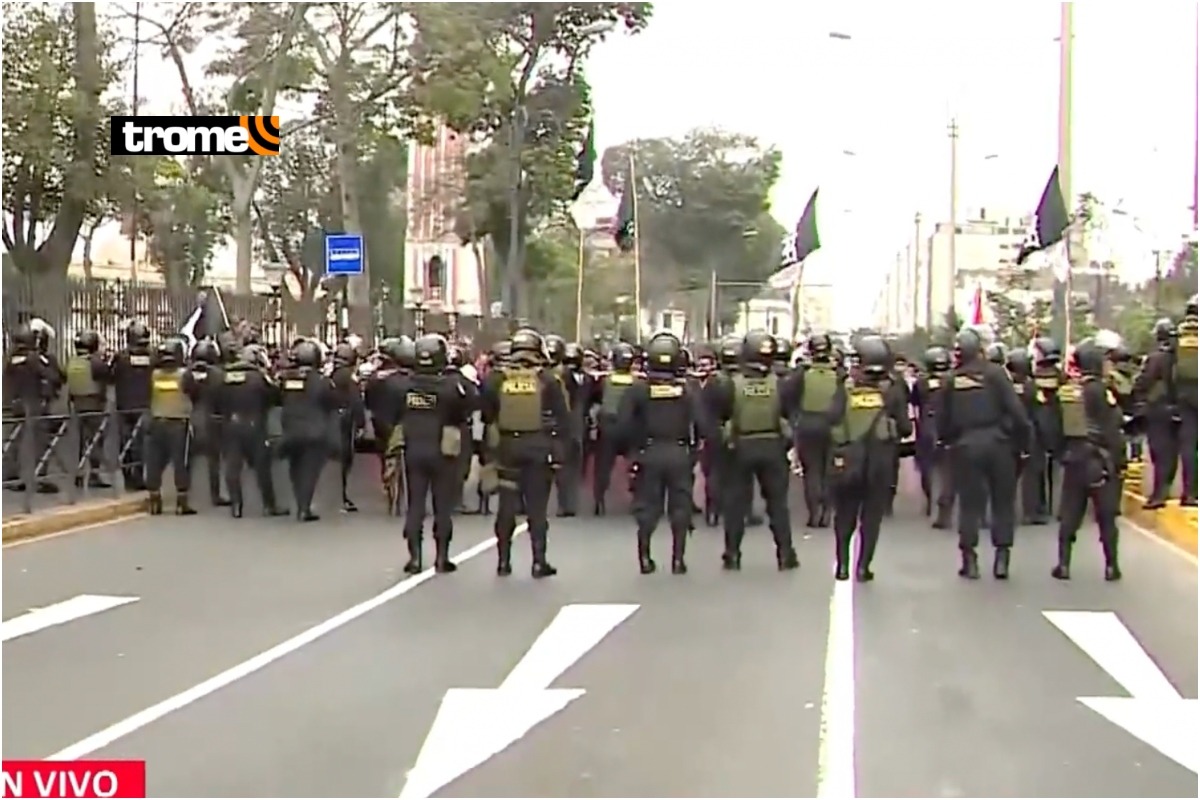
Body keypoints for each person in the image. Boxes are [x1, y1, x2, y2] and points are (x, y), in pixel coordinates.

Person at [935, 327, 1030, 579]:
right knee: (1003, 503)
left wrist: (947, 441)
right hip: (1000, 445)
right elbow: (1017, 412)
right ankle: (1002, 560)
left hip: (966, 447)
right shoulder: (996, 374)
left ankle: (970, 560)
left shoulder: (952, 380)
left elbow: (941, 420)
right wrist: (1023, 445)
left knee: (969, 505)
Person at [615, 331, 713, 574]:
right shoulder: (688, 390)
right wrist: (696, 450)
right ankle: (678, 560)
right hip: (679, 454)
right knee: (680, 508)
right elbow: (704, 424)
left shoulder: (638, 390)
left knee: (648, 508)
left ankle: (645, 557)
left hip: (648, 453)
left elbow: (623, 424)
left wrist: (630, 451)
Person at [479, 328, 571, 577]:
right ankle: (539, 561)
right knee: (537, 508)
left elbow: (486, 415)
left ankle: (503, 561)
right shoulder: (548, 379)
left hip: (507, 449)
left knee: (506, 506)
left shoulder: (497, 378)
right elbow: (564, 418)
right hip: (538, 449)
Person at [710, 330, 800, 571]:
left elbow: (719, 416)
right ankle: (785, 553)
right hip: (772, 446)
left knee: (736, 505)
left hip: (740, 447)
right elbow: (790, 415)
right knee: (778, 504)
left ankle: (732, 554)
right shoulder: (781, 383)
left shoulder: (730, 384)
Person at [827, 335, 911, 580]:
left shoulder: (846, 386)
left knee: (844, 515)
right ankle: (863, 567)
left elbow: (831, 418)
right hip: (881, 462)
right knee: (871, 518)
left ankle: (842, 566)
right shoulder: (893, 389)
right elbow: (905, 427)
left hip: (849, 460)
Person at [397, 334, 472, 574]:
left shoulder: (404, 384)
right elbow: (470, 404)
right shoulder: (451, 385)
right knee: (442, 506)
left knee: (415, 504)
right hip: (443, 450)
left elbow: (387, 405)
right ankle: (442, 557)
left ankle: (415, 557)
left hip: (414, 448)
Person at [1051, 339, 1125, 580]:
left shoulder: (1068, 392)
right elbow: (1112, 428)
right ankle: (1111, 566)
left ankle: (1063, 564)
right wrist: (1120, 461)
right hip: (1099, 460)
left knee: (1070, 513)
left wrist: (1062, 453)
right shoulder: (1102, 391)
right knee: (1106, 515)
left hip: (1074, 459)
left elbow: (1056, 427)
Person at [215, 342, 287, 518]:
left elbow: (216, 399)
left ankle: (236, 505)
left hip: (231, 424)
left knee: (232, 467)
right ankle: (269, 505)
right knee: (262, 467)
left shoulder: (226, 376)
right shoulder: (257, 377)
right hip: (254, 425)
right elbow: (275, 397)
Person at [278, 339, 337, 521]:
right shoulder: (322, 381)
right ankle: (304, 508)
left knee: (295, 468)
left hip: (290, 429)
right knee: (310, 471)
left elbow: (279, 397)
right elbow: (332, 402)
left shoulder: (287, 379)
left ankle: (300, 502)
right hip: (314, 431)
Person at [793, 332, 845, 528]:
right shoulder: (839, 374)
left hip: (808, 423)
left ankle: (814, 511)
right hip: (832, 425)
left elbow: (788, 396)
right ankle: (827, 510)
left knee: (811, 470)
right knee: (829, 470)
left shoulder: (802, 372)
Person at [144, 337, 199, 515]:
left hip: (157, 422)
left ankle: (154, 501)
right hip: (178, 424)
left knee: (155, 461)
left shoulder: (154, 374)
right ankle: (181, 503)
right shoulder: (184, 375)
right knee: (180, 463)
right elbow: (195, 394)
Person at [591, 341, 637, 515]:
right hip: (631, 427)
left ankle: (599, 499)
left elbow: (595, 400)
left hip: (608, 427)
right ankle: (636, 497)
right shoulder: (638, 382)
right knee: (636, 463)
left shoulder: (604, 380)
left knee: (603, 465)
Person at [66, 329, 112, 488]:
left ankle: (78, 475)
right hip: (94, 405)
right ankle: (94, 475)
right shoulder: (95, 362)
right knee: (95, 441)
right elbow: (108, 375)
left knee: (78, 443)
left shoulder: (72, 361)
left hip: (76, 405)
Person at [913, 345, 954, 527]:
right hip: (948, 426)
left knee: (927, 468)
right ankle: (945, 505)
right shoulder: (953, 381)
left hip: (927, 427)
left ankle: (932, 501)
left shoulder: (921, 383)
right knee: (947, 470)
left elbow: (914, 404)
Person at [111, 321, 154, 491]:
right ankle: (138, 475)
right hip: (143, 405)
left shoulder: (121, 357)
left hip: (124, 406)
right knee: (141, 443)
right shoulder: (151, 357)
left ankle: (128, 475)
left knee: (125, 442)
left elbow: (111, 375)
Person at [189, 339, 230, 507]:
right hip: (213, 418)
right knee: (214, 460)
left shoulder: (188, 372)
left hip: (192, 417)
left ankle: (183, 494)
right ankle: (216, 494)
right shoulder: (219, 375)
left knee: (187, 459)